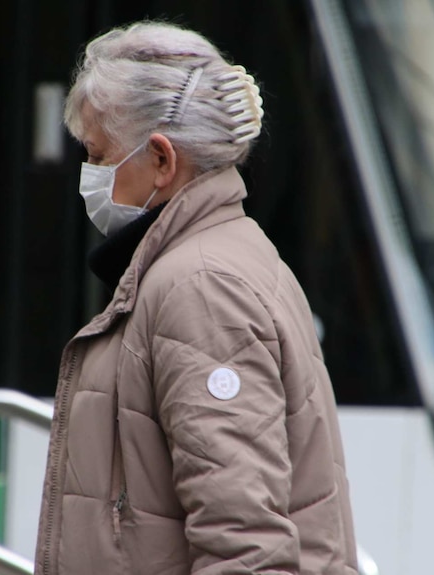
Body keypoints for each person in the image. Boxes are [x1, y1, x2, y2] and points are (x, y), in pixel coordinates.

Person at [35, 20, 358, 575]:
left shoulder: (201, 288)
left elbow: (245, 546)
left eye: (98, 153)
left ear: (161, 159)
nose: (90, 175)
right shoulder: (220, 257)